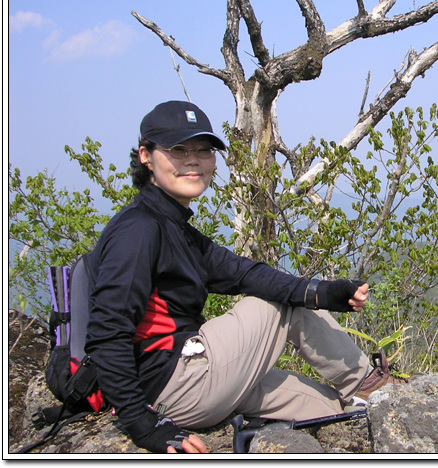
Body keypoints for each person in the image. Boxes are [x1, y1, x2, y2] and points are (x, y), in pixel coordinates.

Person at [84, 100, 404, 453]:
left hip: (196, 384)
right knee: (280, 303)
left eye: (203, 150)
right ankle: (367, 382)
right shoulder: (139, 230)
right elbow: (106, 333)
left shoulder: (174, 227)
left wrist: (328, 292)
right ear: (146, 155)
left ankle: (369, 403)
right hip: (172, 385)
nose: (193, 159)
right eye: (178, 149)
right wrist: (143, 426)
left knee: (331, 408)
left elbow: (246, 273)